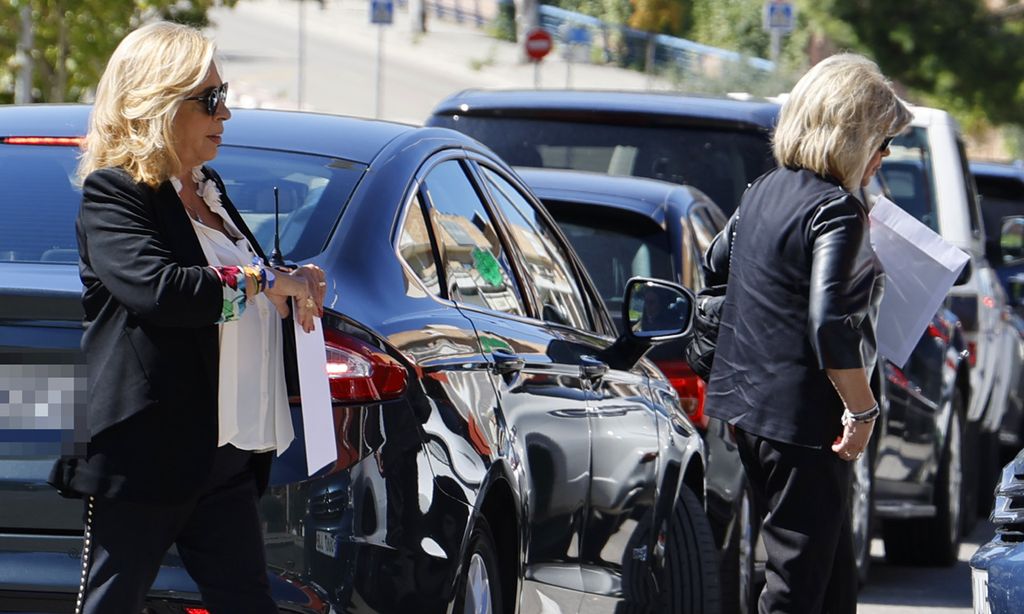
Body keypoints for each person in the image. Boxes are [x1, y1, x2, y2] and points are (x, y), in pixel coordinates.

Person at [47, 21, 327, 614]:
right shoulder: (115, 192)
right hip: (147, 449)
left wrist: (289, 285)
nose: (225, 113)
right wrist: (260, 282)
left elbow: (237, 280)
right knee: (112, 602)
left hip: (223, 448)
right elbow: (161, 290)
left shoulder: (208, 187)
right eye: (211, 100)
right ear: (159, 103)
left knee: (246, 601)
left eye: (225, 96)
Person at [702, 53, 912, 614]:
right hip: (803, 423)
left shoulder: (764, 189)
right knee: (795, 587)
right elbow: (829, 324)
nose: (884, 155)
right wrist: (863, 412)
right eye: (882, 139)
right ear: (853, 133)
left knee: (827, 578)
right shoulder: (837, 210)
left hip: (747, 410)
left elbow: (715, 265)